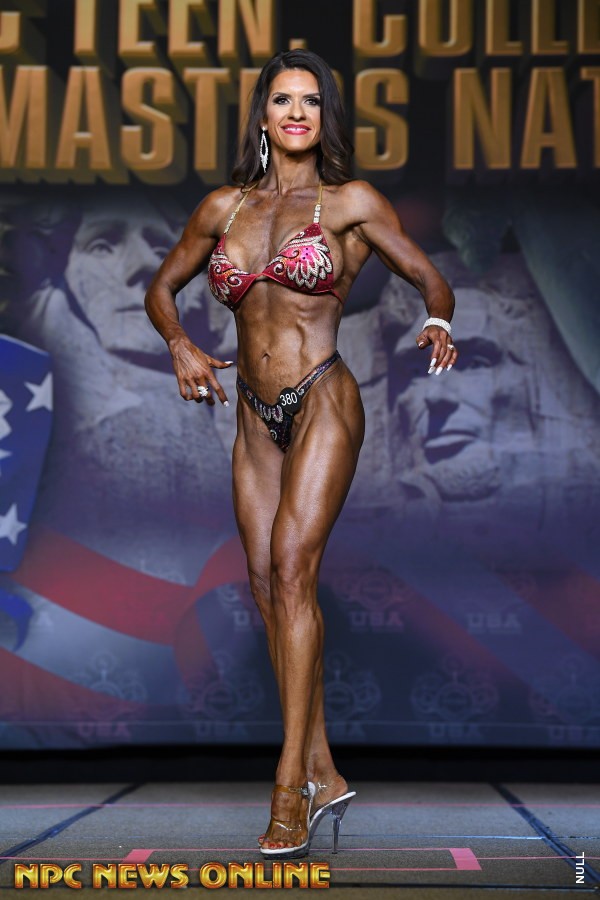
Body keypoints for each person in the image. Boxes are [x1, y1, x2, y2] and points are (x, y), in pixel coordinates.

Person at [144, 49, 457, 859]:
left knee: (291, 570)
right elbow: (161, 287)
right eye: (282, 100)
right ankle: (323, 766)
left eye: (310, 101)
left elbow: (430, 278)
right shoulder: (225, 208)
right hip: (254, 416)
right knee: (263, 585)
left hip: (323, 396)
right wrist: (180, 343)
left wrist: (438, 320)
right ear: (262, 115)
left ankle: (289, 788)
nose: (296, 113)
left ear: (325, 118)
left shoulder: (351, 203)